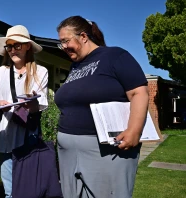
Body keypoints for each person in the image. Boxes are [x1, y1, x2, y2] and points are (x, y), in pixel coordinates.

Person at [54, 16, 149, 198]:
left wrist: (134, 130)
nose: (63, 47)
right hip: (68, 152)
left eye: (66, 41)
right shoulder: (75, 67)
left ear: (83, 36)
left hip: (104, 150)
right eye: (61, 43)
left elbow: (139, 92)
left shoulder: (114, 56)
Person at [0, 25, 48, 198]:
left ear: (27, 46)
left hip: (26, 137)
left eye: (17, 45)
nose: (13, 50)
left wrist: (30, 103)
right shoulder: (2, 71)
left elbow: (41, 105)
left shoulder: (40, 72)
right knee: (10, 191)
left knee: (29, 190)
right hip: (5, 136)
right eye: (9, 46)